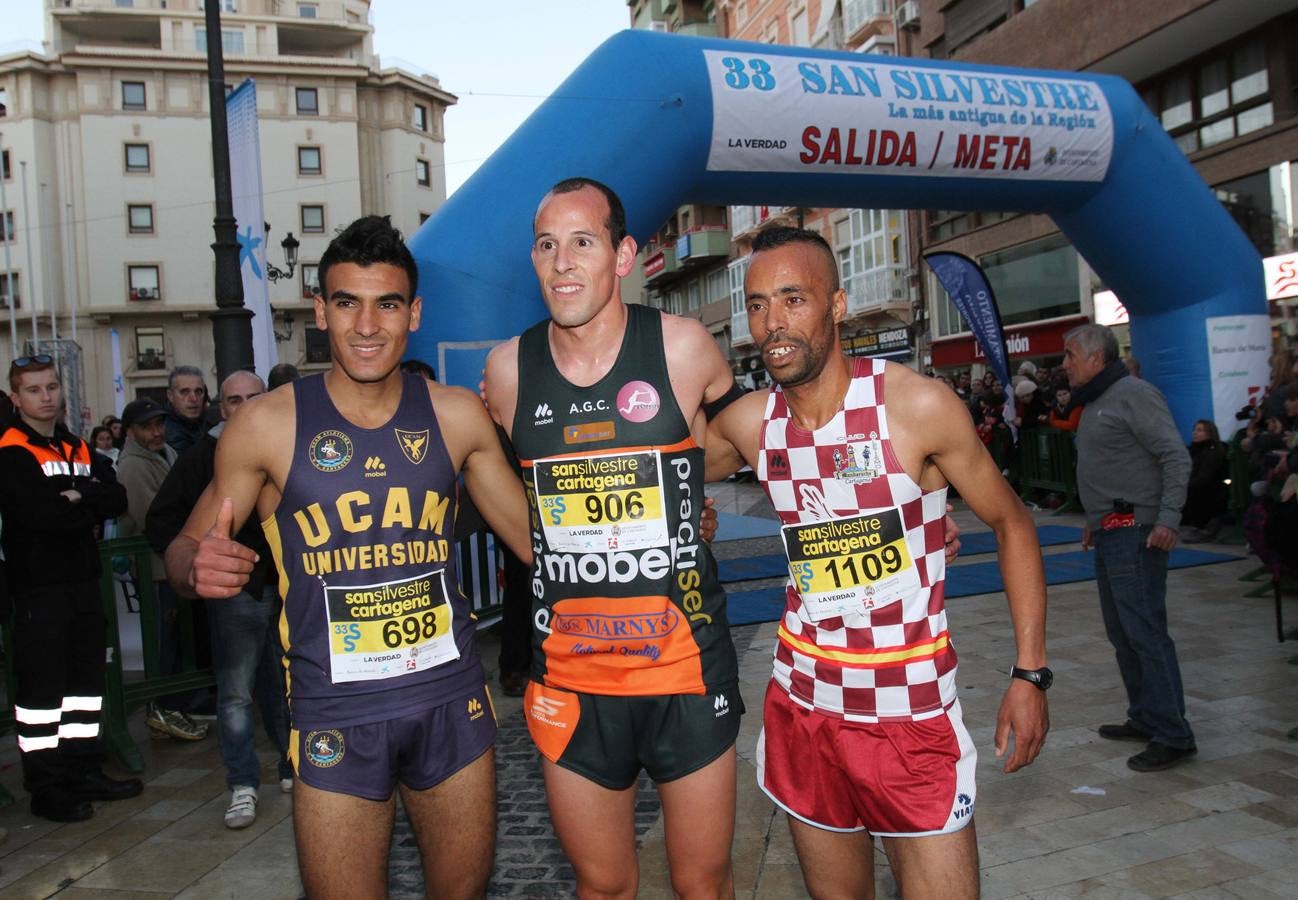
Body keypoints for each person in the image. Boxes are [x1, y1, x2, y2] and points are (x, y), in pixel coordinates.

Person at [164, 215, 533, 898]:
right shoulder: (267, 425)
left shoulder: (455, 415)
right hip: (334, 715)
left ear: (414, 313)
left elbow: (537, 545)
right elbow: (185, 548)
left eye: (387, 303)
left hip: (450, 704)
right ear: (320, 312)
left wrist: (652, 517)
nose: (367, 325)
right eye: (347, 303)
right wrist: (195, 567)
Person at [704, 227, 1049, 899]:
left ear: (837, 305)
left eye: (793, 298)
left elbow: (1013, 522)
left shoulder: (914, 406)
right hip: (805, 707)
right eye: (756, 304)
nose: (772, 323)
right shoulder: (751, 423)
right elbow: (660, 467)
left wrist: (1031, 673)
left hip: (908, 711)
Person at [482, 177, 748, 898]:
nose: (562, 262)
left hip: (685, 672)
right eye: (546, 244)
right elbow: (496, 489)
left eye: (583, 242)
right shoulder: (506, 372)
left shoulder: (685, 347)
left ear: (622, 255)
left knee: (704, 884)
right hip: (573, 676)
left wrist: (916, 498)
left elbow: (764, 442)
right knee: (601, 886)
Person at [146, 370, 293, 829]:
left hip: (289, 590)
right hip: (236, 594)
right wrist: (199, 558)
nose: (246, 408)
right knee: (234, 694)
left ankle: (292, 766)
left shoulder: (290, 445)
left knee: (286, 684)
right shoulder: (201, 458)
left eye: (254, 398)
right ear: (221, 408)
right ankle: (243, 785)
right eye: (234, 401)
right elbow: (162, 523)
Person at [0, 355, 141, 822]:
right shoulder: (10, 449)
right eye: (35, 390)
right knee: (42, 694)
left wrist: (79, 496)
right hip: (39, 588)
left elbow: (117, 497)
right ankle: (47, 786)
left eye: (52, 386)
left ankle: (84, 769)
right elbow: (40, 516)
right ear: (16, 398)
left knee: (85, 686)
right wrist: (87, 501)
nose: (47, 396)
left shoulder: (76, 447)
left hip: (83, 583)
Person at [1063, 323, 1196, 771]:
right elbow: (1114, 465)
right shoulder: (1101, 399)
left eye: (1070, 356)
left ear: (1096, 359)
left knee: (1144, 632)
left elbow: (1175, 456)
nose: (1064, 366)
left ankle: (1173, 734)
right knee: (1123, 633)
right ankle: (1146, 715)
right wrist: (1094, 519)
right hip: (1110, 529)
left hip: (1136, 532)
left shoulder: (1133, 394)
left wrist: (1168, 520)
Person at [116, 397, 210, 742]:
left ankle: (176, 703)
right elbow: (149, 515)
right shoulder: (133, 465)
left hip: (170, 564)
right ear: (130, 431)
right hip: (156, 568)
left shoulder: (165, 453)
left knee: (175, 639)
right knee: (163, 643)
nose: (156, 432)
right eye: (147, 426)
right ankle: (162, 706)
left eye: (159, 424)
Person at [1180, 419, 1229, 542]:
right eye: (1194, 430)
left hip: (1210, 493)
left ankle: (1203, 527)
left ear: (1210, 433)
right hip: (1195, 487)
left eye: (1199, 430)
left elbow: (1204, 478)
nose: (1195, 433)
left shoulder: (1214, 452)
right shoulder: (1192, 451)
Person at [164, 365, 209, 455]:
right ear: (170, 396)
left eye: (198, 391)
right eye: (185, 392)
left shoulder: (206, 422)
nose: (194, 399)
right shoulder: (168, 433)